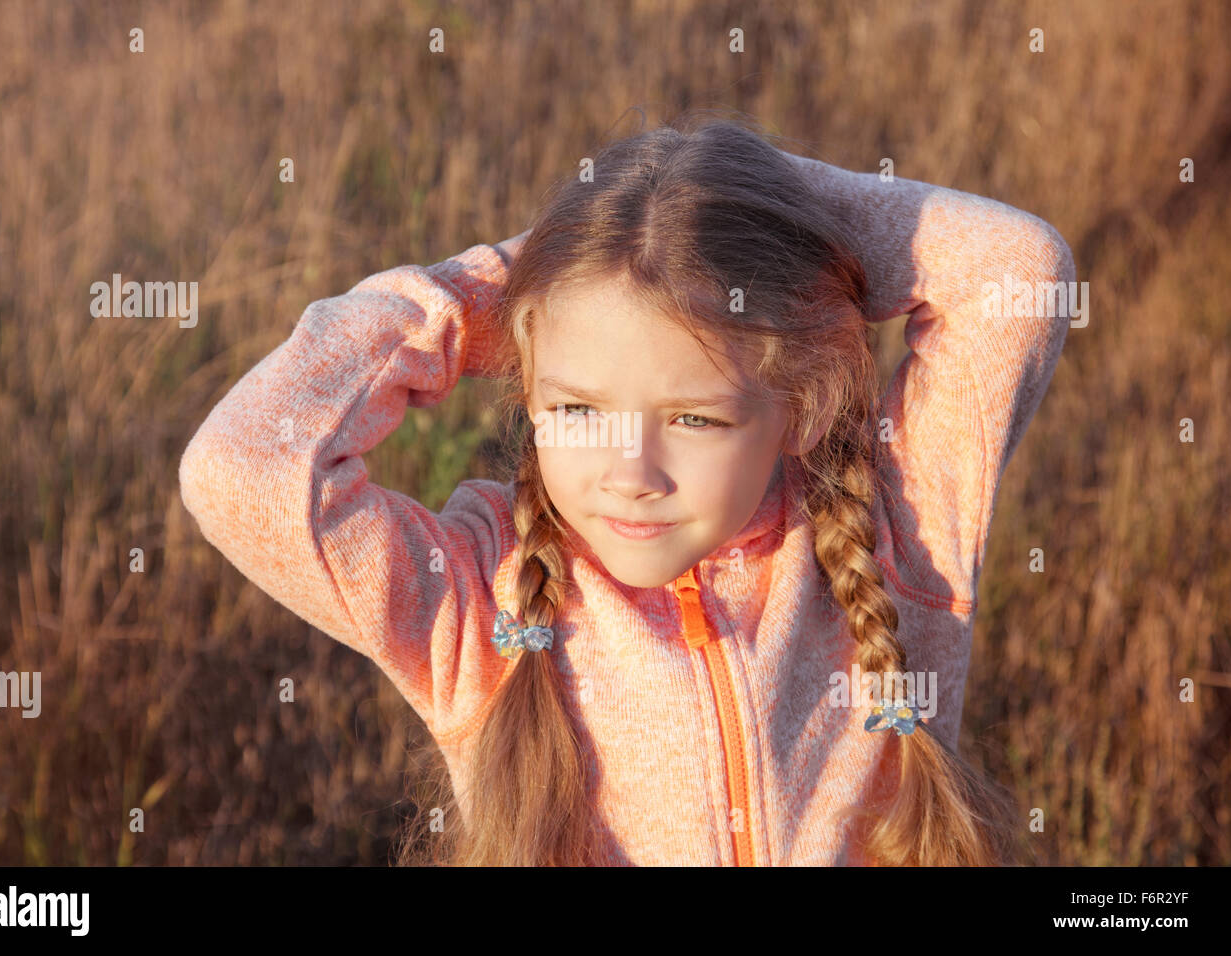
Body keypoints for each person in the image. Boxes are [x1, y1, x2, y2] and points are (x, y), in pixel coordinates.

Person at [178, 114, 1075, 866]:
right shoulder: (479, 600)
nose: (628, 473)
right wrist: (491, 295)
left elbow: (1019, 270)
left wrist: (752, 204)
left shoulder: (892, 533)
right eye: (576, 407)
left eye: (695, 419)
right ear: (526, 378)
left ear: (801, 408)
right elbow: (239, 466)